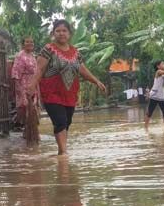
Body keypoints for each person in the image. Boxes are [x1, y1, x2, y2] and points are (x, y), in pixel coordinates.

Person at [29, 20, 106, 155]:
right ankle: (64, 154)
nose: (61, 33)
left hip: (70, 94)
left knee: (66, 123)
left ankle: (61, 152)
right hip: (51, 93)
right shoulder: (48, 49)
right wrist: (31, 85)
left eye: (64, 31)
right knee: (60, 121)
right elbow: (39, 69)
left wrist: (96, 81)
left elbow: (82, 70)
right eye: (58, 31)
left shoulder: (75, 52)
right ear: (53, 33)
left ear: (69, 34)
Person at [11, 37, 38, 128]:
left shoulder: (32, 55)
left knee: (33, 109)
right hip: (23, 86)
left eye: (31, 41)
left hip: (33, 85)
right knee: (24, 108)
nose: (30, 43)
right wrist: (20, 91)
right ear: (23, 44)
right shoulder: (20, 56)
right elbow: (16, 75)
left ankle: (29, 131)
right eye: (27, 41)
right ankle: (22, 127)